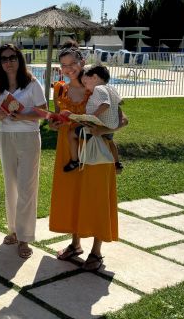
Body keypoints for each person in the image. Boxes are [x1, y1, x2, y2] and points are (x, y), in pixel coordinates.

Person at [49, 41, 127, 271]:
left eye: (73, 63)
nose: (69, 68)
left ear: (82, 62)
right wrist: (55, 124)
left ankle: (96, 251)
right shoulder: (59, 88)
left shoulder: (97, 87)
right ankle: (75, 244)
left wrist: (101, 130)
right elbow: (58, 117)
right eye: (64, 65)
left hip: (95, 152)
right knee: (74, 196)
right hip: (69, 150)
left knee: (95, 198)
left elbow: (122, 120)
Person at [0, 44, 46, 259]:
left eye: (12, 57)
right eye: (4, 58)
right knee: (11, 185)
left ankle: (25, 237)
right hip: (5, 137)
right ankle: (14, 229)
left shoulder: (32, 83)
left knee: (27, 186)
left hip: (28, 138)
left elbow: (43, 111)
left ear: (19, 59)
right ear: (0, 63)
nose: (8, 61)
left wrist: (23, 116)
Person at [63, 64, 123, 173]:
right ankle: (117, 163)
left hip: (98, 124)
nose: (86, 87)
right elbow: (120, 102)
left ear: (94, 77)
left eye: (85, 83)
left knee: (71, 134)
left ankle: (74, 160)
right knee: (110, 141)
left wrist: (93, 116)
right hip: (111, 125)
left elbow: (105, 104)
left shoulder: (99, 89)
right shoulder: (112, 88)